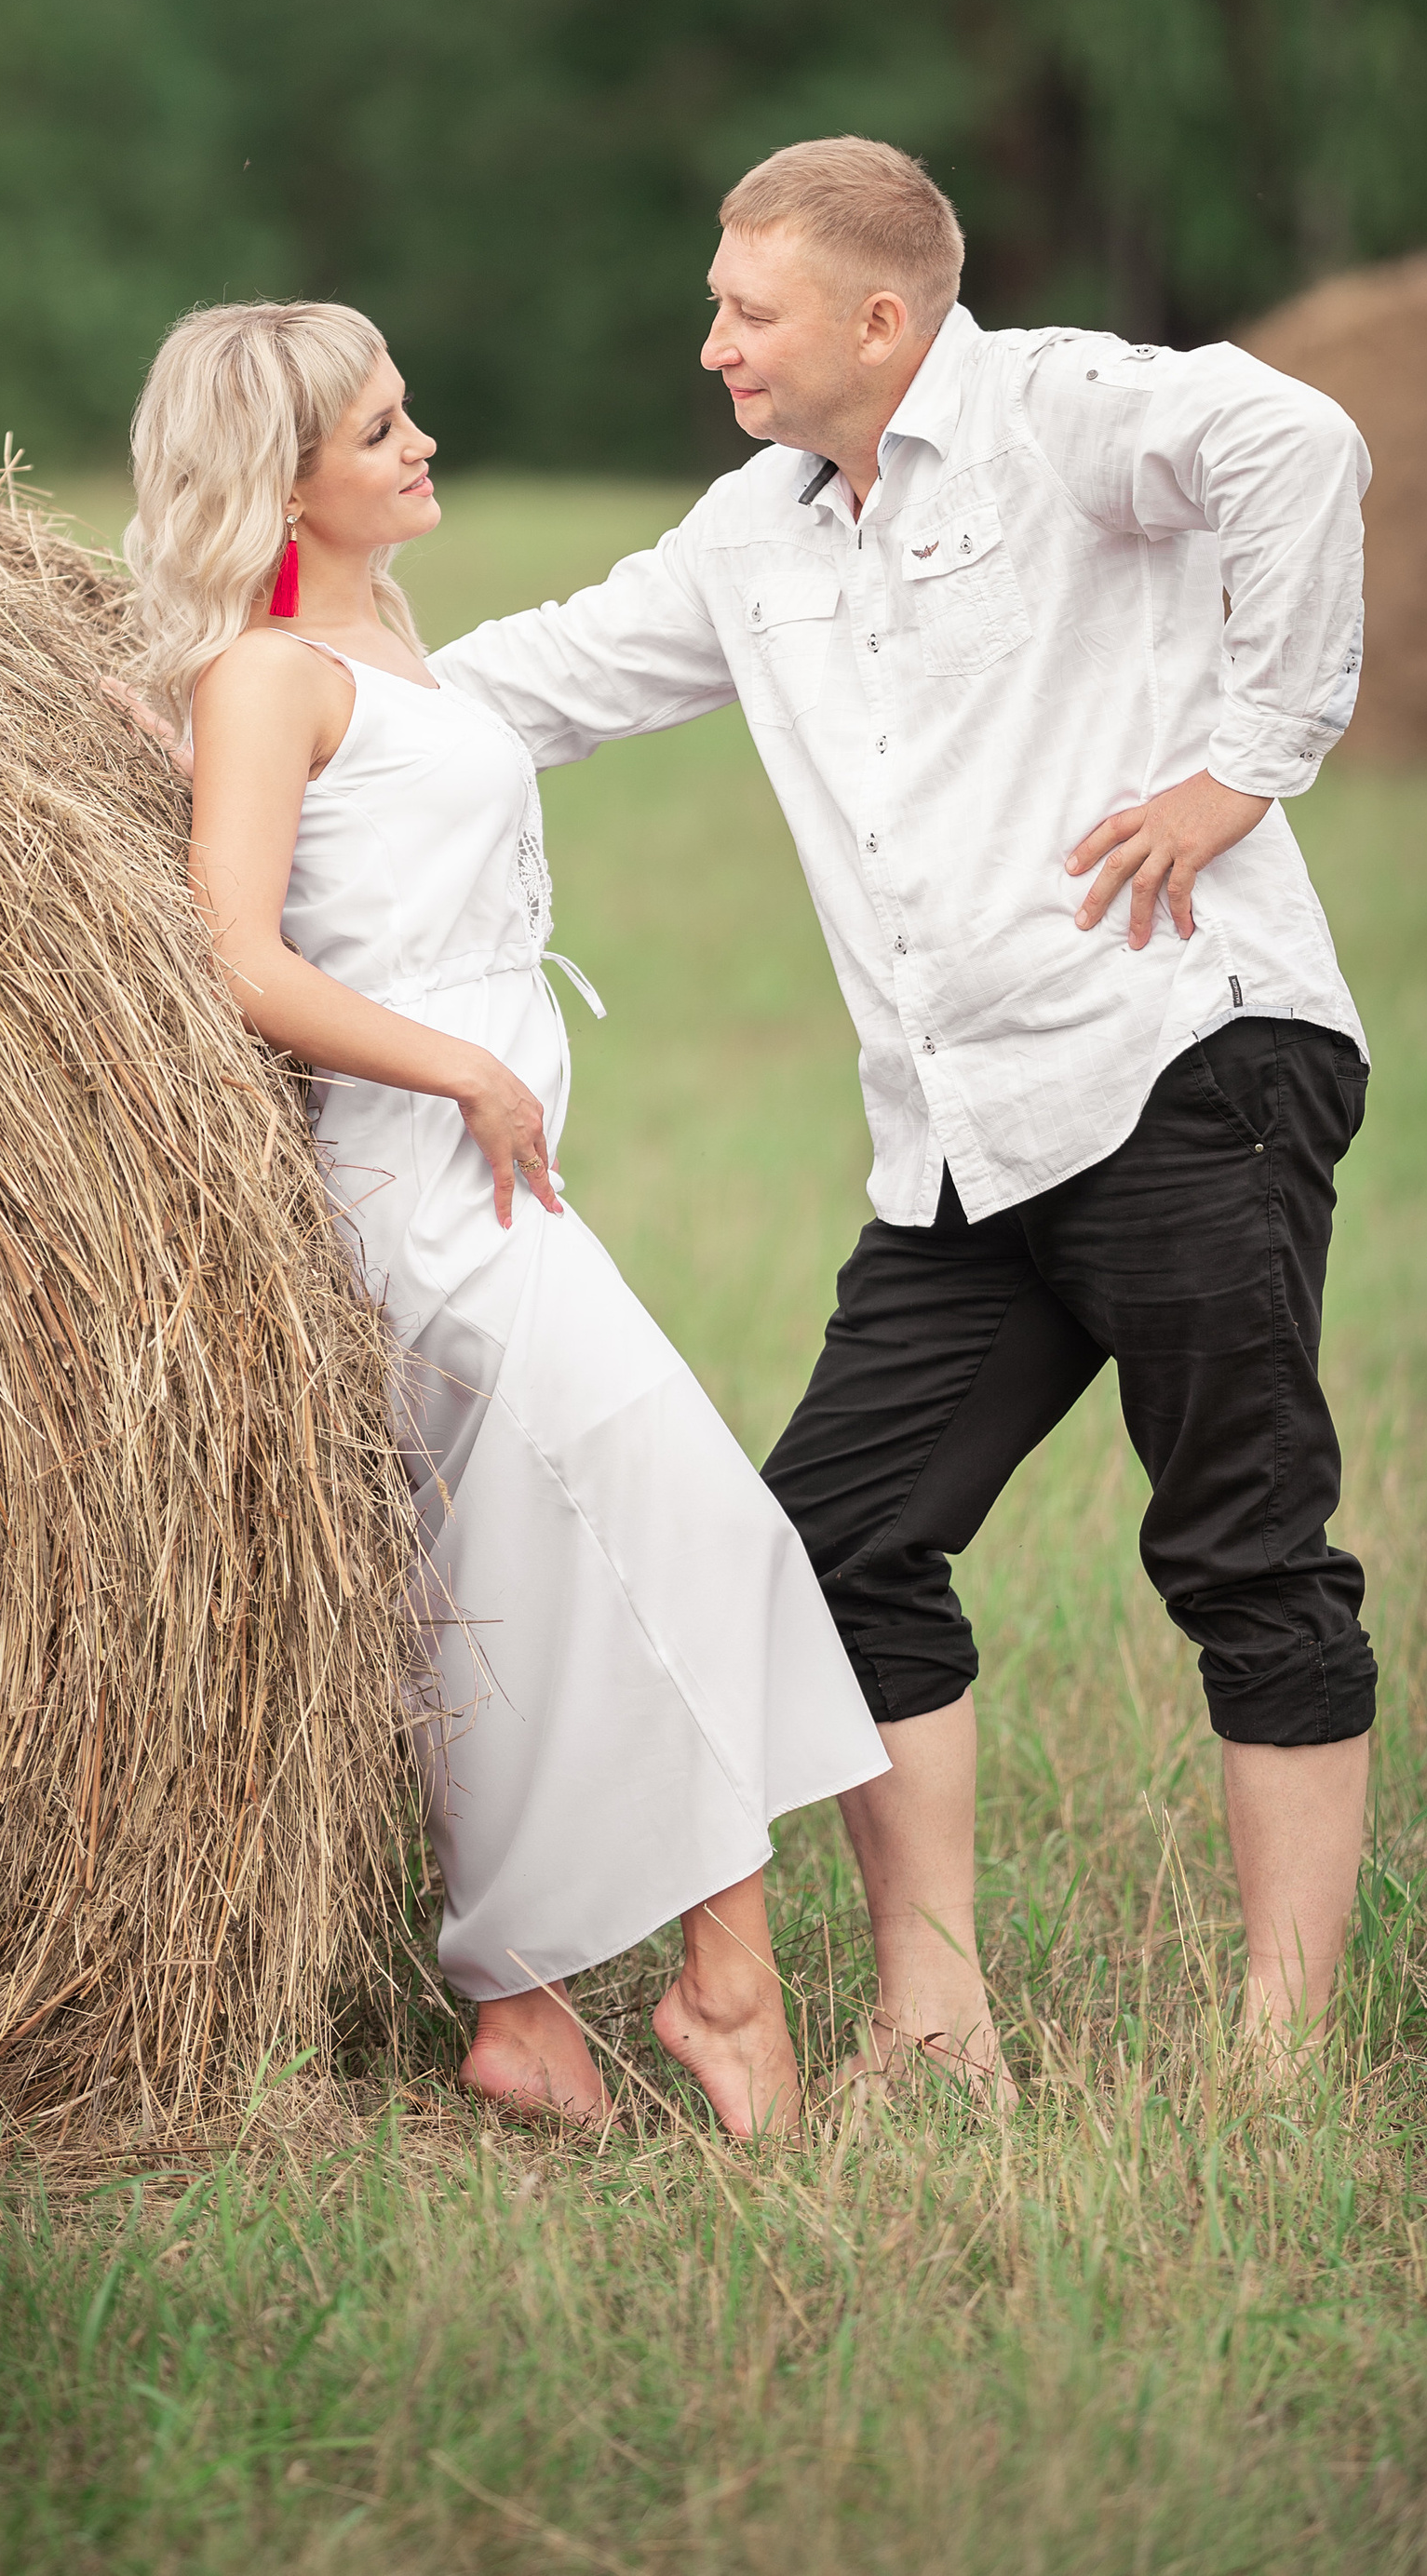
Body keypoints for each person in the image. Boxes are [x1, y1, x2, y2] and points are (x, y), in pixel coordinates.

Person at [434, 136, 1375, 2091]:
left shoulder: (1057, 414)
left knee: (1241, 1550)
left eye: (746, 311)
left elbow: (1298, 441)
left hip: (1179, 1060)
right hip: (960, 1140)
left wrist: (1246, 765)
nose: (712, 345)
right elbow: (537, 681)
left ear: (882, 319)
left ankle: (1280, 2057)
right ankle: (934, 2021)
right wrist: (256, 722)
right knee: (838, 1546)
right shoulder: (755, 534)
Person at [124, 301, 888, 2137]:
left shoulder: (377, 639)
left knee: (519, 1580)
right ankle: (723, 1988)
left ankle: (526, 2011)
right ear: (281, 483)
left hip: (493, 1179)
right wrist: (459, 1068)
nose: (420, 441)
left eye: (406, 411)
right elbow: (238, 957)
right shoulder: (269, 674)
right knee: (691, 1517)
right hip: (419, 1182)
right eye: (377, 430)